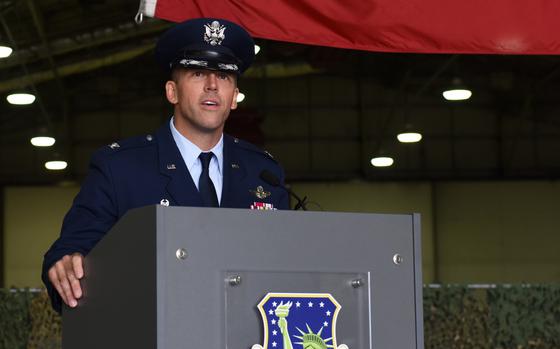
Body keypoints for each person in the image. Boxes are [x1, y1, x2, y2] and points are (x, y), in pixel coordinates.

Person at [42, 18, 289, 313]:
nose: (212, 85)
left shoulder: (264, 174)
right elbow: (72, 249)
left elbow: (287, 263)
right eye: (198, 73)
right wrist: (68, 262)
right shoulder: (119, 168)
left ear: (234, 97)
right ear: (172, 92)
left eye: (224, 77)